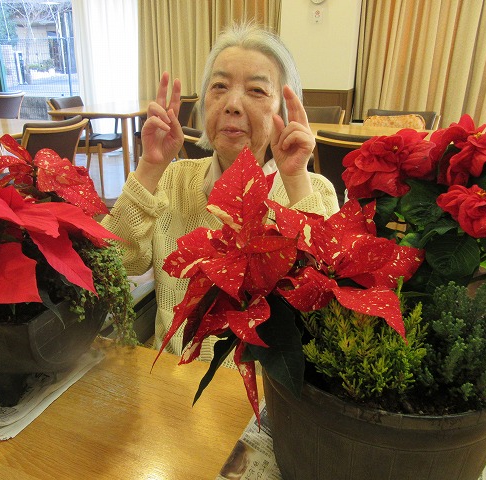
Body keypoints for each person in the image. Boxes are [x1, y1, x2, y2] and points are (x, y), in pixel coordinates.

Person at [101, 23, 339, 361]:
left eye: (256, 90)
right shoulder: (172, 179)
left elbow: (328, 304)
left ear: (283, 112)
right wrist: (150, 167)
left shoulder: (313, 191)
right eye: (219, 86)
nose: (232, 104)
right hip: (170, 376)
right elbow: (113, 263)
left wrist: (296, 177)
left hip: (262, 387)